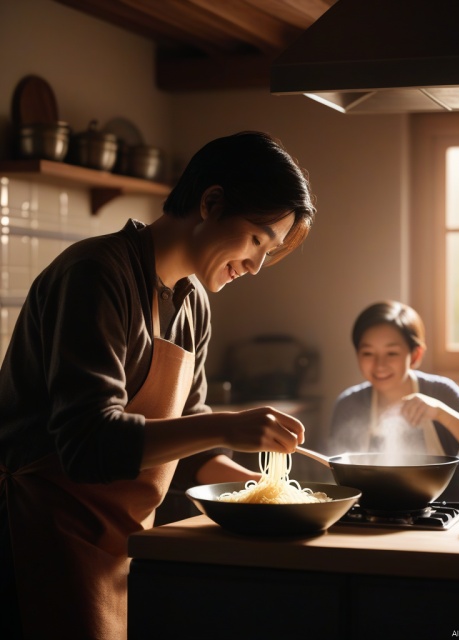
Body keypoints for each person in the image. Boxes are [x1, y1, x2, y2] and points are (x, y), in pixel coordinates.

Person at [0, 131, 316, 640]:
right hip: (38, 538)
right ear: (211, 203)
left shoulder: (194, 303)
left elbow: (188, 450)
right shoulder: (96, 274)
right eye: (258, 240)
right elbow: (88, 444)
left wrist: (272, 498)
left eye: (269, 250)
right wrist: (227, 426)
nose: (257, 266)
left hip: (120, 545)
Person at [329, 300, 459, 505]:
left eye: (392, 353)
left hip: (449, 520)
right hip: (372, 521)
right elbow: (339, 476)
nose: (379, 365)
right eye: (368, 353)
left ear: (415, 355)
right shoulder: (349, 404)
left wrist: (441, 413)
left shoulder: (441, 391)